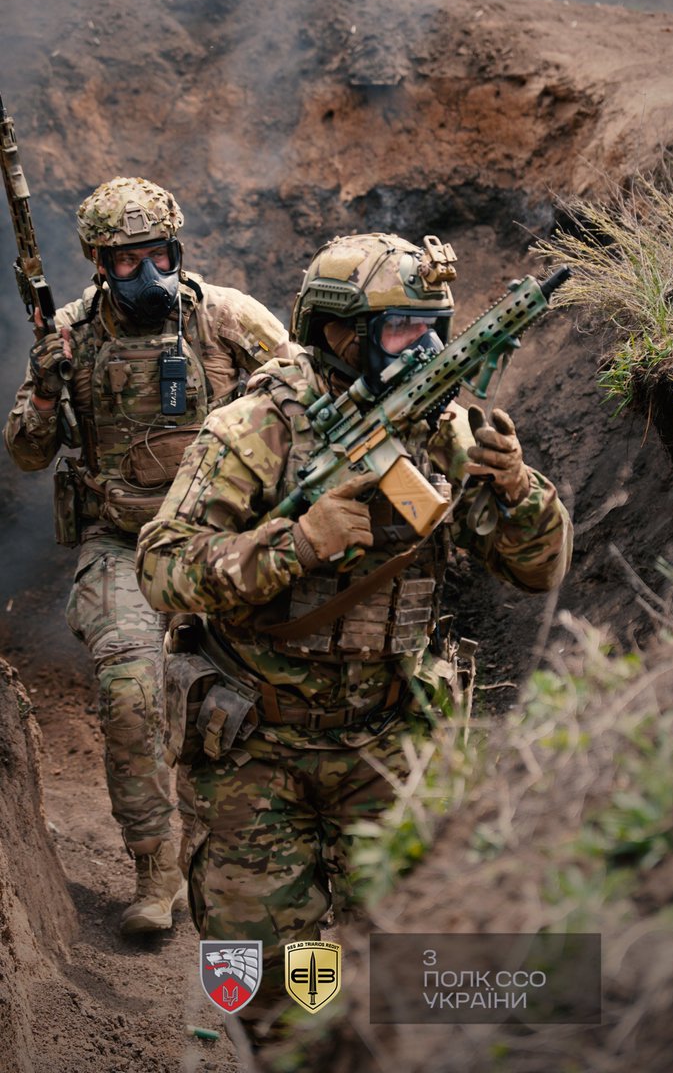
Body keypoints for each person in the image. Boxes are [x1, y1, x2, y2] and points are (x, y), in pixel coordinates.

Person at [134, 231, 572, 1048]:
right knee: (272, 992)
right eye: (403, 329)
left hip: (391, 738)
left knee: (418, 969)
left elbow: (539, 570)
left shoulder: (442, 430)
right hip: (256, 750)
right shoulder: (253, 428)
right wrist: (295, 544)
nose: (427, 348)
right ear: (338, 333)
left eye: (434, 328)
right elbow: (162, 567)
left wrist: (517, 488)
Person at [4, 176, 288, 936]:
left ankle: (245, 861)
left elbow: (307, 399)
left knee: (255, 700)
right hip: (121, 541)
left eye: (157, 254)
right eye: (127, 261)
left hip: (217, 538)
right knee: (131, 691)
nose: (146, 273)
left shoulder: (226, 317)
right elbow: (27, 453)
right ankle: (156, 870)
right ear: (99, 263)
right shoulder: (71, 335)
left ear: (177, 248)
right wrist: (44, 390)